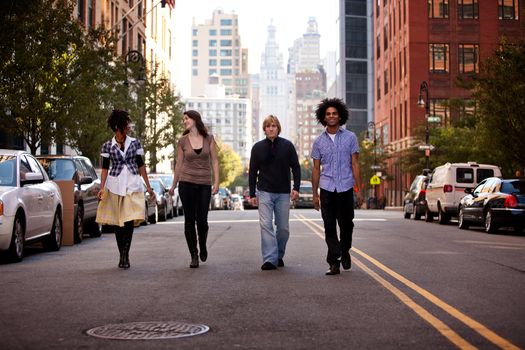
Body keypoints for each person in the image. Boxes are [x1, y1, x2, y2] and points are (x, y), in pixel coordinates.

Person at [96, 109, 155, 269]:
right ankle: (121, 253)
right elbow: (105, 169)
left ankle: (125, 255)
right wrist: (102, 188)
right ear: (118, 126)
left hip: (132, 184)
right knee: (118, 222)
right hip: (115, 185)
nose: (129, 127)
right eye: (126, 124)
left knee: (128, 220)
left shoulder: (135, 143)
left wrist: (148, 187)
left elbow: (141, 165)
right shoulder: (108, 146)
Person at [311, 98, 363, 276]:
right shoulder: (318, 142)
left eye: (334, 113)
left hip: (346, 187)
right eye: (328, 114)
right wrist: (315, 194)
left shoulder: (350, 137)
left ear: (340, 116)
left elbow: (355, 164)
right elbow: (316, 168)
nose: (331, 116)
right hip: (326, 188)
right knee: (329, 226)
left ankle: (344, 249)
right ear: (323, 118)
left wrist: (359, 189)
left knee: (347, 224)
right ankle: (334, 261)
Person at [249, 115, 301, 270]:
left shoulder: (288, 146)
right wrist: (252, 194)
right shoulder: (257, 147)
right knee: (265, 225)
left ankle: (278, 254)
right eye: (268, 126)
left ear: (278, 128)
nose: (271, 128)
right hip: (264, 192)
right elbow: (252, 172)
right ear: (264, 129)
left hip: (283, 193)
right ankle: (270, 259)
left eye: (274, 126)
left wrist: (296, 188)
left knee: (283, 228)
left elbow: (296, 168)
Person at [169, 110, 219, 268]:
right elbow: (178, 164)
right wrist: (173, 185)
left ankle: (202, 244)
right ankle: (194, 254)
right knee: (189, 219)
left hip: (204, 183)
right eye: (183, 119)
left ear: (195, 119)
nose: (184, 121)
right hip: (186, 183)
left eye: (187, 118)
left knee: (202, 221)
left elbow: (215, 162)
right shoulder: (182, 141)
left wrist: (216, 182)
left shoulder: (209, 139)